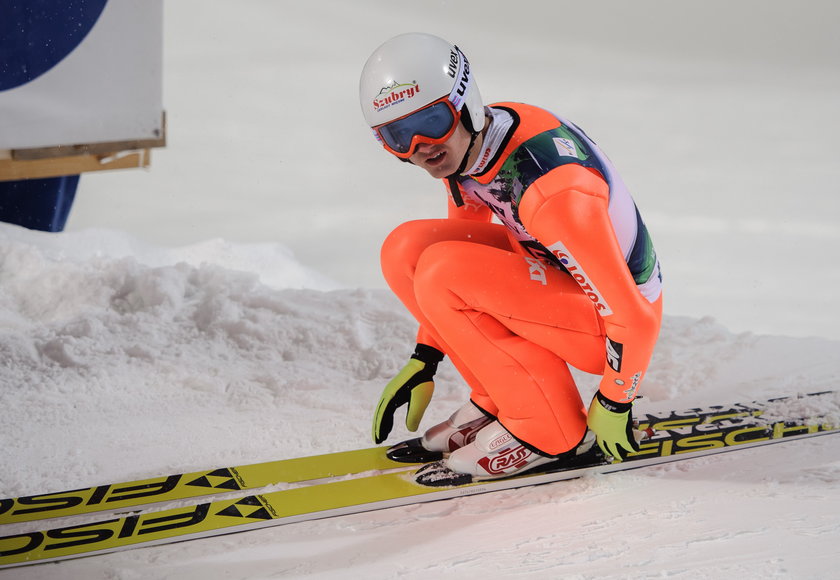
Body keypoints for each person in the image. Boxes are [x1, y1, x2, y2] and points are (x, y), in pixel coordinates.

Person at [359, 33, 662, 485]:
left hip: (608, 326)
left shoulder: (553, 193)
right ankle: (500, 399)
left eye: (432, 122)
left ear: (465, 104)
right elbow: (461, 251)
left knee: (445, 272)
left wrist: (615, 402)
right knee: (408, 249)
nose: (421, 147)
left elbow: (635, 319)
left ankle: (548, 431)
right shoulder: (474, 146)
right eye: (398, 136)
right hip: (559, 282)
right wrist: (426, 355)